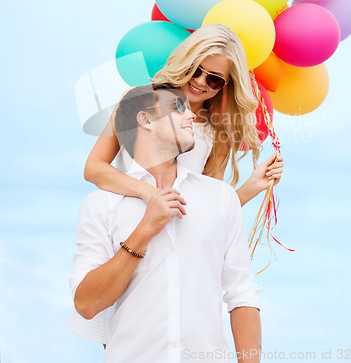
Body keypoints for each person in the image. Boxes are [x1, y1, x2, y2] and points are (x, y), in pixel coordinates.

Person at [67, 24, 283, 343]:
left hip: (178, 241)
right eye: (196, 69)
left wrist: (251, 187)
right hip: (127, 230)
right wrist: (149, 194)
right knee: (123, 332)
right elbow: (94, 168)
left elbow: (209, 212)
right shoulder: (139, 101)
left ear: (225, 85)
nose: (199, 82)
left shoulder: (217, 131)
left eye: (213, 79)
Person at [70, 84, 262, 362]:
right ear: (145, 120)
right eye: (178, 108)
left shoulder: (221, 198)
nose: (192, 116)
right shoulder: (101, 205)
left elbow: (242, 294)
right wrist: (145, 229)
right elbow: (87, 304)